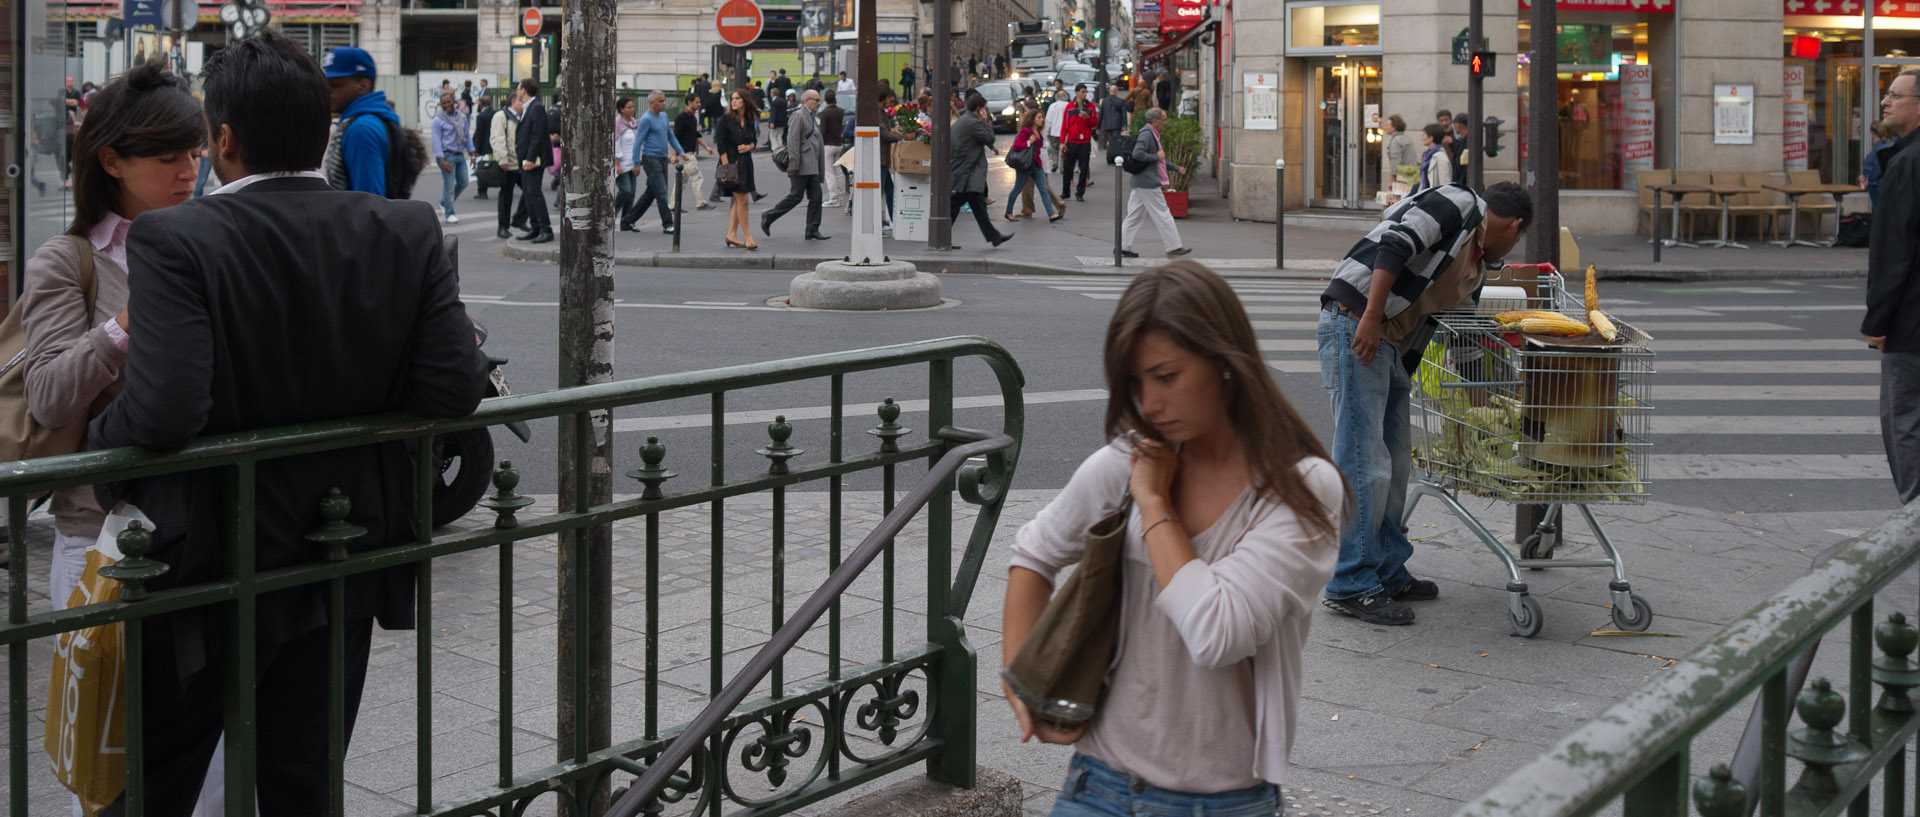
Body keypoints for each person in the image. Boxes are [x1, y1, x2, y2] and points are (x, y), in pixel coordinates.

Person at [85, 29, 484, 814]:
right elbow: (452, 389)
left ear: (223, 138)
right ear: (320, 129)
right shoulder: (401, 230)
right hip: (342, 547)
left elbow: (164, 408)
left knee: (160, 772)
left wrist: (97, 446)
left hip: (207, 554)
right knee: (305, 780)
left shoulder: (178, 238)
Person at [1002, 260, 1345, 816]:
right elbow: (1034, 553)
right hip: (1099, 787)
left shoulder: (1301, 490)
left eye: (1166, 377)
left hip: (1225, 803)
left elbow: (1216, 631)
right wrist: (1020, 682)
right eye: (1135, 383)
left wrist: (1156, 503)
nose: (1150, 404)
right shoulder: (1125, 465)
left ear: (1225, 363)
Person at [23, 63, 230, 817]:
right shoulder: (68, 261)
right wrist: (126, 325)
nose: (188, 169)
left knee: (204, 759)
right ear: (111, 161)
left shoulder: (212, 239)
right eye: (167, 156)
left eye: (196, 152)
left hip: (200, 530)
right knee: (115, 762)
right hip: (100, 541)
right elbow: (46, 394)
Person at [1316, 181, 1532, 625]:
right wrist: (1372, 318)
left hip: (1393, 348)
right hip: (1357, 325)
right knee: (1364, 461)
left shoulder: (1476, 269)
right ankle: (1350, 582)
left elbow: (1465, 337)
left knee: (1396, 464)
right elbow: (1394, 243)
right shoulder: (1461, 202)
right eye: (1516, 237)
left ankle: (1388, 569)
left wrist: (1483, 409)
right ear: (1515, 226)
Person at [1866, 69, 1920, 503]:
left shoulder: (1907, 163)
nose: (1885, 102)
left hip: (1911, 322)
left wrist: (1878, 320)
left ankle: (1913, 528)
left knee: (1904, 421)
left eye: (1895, 96)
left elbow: (1895, 252)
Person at [321, 46, 400, 196]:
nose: (327, 91)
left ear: (363, 86)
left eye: (335, 85)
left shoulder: (361, 129)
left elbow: (369, 203)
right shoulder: (373, 119)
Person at [1120, 108, 1189, 259]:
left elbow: (1160, 160)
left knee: (1134, 216)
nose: (1165, 123)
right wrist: (1155, 156)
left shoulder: (1151, 134)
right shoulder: (1147, 135)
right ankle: (1174, 246)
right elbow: (1138, 153)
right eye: (1163, 120)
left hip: (1140, 181)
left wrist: (1176, 168)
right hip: (1147, 182)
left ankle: (1123, 247)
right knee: (1163, 214)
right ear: (1155, 121)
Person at [761, 88, 828, 241]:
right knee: (795, 196)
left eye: (819, 100)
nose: (819, 103)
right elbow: (793, 141)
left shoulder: (812, 116)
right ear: (807, 100)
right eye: (816, 100)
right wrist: (794, 164)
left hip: (812, 165)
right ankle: (769, 216)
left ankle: (812, 229)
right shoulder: (798, 116)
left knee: (816, 197)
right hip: (801, 164)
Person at [951, 93, 1014, 248]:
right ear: (979, 109)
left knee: (977, 205)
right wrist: (986, 122)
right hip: (967, 172)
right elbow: (989, 137)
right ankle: (940, 237)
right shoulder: (973, 123)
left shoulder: (965, 120)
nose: (986, 113)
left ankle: (994, 236)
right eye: (985, 110)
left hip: (967, 171)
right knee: (954, 206)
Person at [620, 90, 683, 234]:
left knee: (651, 193)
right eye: (660, 101)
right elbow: (638, 142)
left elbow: (669, 135)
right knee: (661, 192)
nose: (664, 103)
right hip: (650, 158)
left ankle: (628, 220)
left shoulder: (664, 116)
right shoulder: (646, 119)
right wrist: (636, 163)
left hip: (662, 158)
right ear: (652, 102)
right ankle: (668, 224)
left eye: (664, 100)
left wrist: (680, 151)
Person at [716, 89, 760, 250]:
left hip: (746, 163)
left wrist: (748, 147)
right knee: (743, 200)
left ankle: (731, 234)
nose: (734, 101)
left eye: (737, 98)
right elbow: (720, 144)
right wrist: (727, 165)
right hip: (731, 164)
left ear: (745, 101)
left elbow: (754, 141)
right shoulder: (725, 119)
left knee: (739, 200)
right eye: (732, 98)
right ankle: (748, 236)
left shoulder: (748, 118)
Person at [514, 78, 554, 243]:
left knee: (534, 193)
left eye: (518, 88)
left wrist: (530, 158)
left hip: (533, 159)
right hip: (525, 158)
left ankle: (546, 228)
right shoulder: (528, 108)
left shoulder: (536, 107)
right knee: (529, 194)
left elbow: (537, 136)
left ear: (523, 90)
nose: (517, 91)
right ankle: (535, 227)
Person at [1005, 109, 1061, 224]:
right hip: (1025, 165)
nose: (1042, 119)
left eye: (1042, 117)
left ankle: (1051, 214)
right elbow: (1016, 146)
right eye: (1039, 117)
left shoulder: (1039, 132)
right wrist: (1029, 142)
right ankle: (1008, 212)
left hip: (1036, 164)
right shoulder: (1026, 131)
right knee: (1017, 189)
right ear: (1032, 119)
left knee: (1043, 189)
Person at [490, 87, 528, 239]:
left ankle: (519, 219)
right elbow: (497, 138)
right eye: (521, 101)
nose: (523, 104)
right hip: (508, 163)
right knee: (506, 197)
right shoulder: (501, 116)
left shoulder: (522, 116)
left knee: (530, 191)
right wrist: (502, 159)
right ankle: (503, 227)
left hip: (521, 163)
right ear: (513, 101)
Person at [430, 92, 473, 224]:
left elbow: (467, 135)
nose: (447, 105)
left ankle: (444, 202)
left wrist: (472, 152)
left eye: (448, 102)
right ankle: (449, 213)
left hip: (460, 154)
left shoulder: (462, 117)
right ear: (441, 105)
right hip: (446, 155)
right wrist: (441, 159)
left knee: (464, 181)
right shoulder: (438, 120)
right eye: (444, 103)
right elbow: (436, 140)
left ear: (454, 101)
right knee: (449, 186)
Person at [674, 94, 714, 211]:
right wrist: (675, 154)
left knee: (682, 181)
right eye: (697, 102)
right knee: (697, 177)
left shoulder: (692, 118)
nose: (699, 104)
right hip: (685, 153)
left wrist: (707, 147)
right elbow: (675, 137)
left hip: (687, 152)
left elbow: (696, 135)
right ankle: (701, 203)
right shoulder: (681, 117)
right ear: (689, 102)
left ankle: (673, 205)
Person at [1061, 84, 1097, 202]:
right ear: (1077, 93)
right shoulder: (1070, 107)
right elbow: (1065, 126)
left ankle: (1080, 193)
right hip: (1072, 141)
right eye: (1082, 92)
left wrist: (1088, 118)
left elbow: (1095, 123)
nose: (1084, 94)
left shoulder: (1090, 107)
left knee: (1084, 168)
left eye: (1086, 92)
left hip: (1085, 142)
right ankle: (1066, 192)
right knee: (1067, 168)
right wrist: (1062, 142)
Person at [613, 96, 640, 227]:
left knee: (631, 195)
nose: (632, 109)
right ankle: (611, 213)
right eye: (629, 107)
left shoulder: (633, 122)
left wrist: (637, 162)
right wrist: (617, 164)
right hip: (622, 163)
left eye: (632, 107)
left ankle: (626, 221)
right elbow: (616, 143)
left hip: (632, 162)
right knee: (625, 191)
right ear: (621, 109)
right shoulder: (618, 124)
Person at [819, 89, 848, 207]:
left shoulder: (825, 113)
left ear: (825, 100)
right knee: (838, 171)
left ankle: (833, 197)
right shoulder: (840, 112)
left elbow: (823, 131)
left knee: (829, 172)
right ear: (835, 99)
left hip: (828, 145)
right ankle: (840, 195)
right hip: (838, 143)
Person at [1380, 114, 1415, 197]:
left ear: (1394, 127)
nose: (1385, 127)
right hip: (1411, 175)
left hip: (1402, 177)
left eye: (1387, 125)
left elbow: (1395, 160)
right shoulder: (1406, 138)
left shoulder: (1396, 140)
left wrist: (1392, 179)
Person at [471, 95, 497, 200]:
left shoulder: (481, 116)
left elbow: (479, 134)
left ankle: (482, 190)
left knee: (482, 169)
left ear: (481, 104)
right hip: (493, 145)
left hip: (484, 147)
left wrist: (475, 149)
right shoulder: (495, 113)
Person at [1865, 120, 1896, 207]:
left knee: (1880, 212)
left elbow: (1878, 167)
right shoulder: (1891, 144)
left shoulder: (1879, 149)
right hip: (1889, 184)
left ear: (1872, 133)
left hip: (1878, 185)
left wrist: (1868, 180)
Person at [1100, 82, 1131, 164]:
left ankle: (1109, 156)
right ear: (1116, 91)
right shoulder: (1120, 101)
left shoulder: (1104, 101)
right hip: (1117, 124)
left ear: (1110, 91)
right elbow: (1124, 114)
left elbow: (1101, 114)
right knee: (1116, 141)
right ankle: (1115, 156)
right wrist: (1124, 124)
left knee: (1110, 140)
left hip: (1107, 124)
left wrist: (1098, 126)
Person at [1417, 123, 1451, 191]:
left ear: (1431, 138)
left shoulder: (1440, 157)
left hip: (1434, 196)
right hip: (1426, 195)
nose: (1422, 138)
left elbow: (1444, 181)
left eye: (1424, 135)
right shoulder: (1426, 156)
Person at [1045, 88, 1069, 172]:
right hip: (1065, 132)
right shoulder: (1068, 105)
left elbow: (1048, 119)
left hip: (1054, 131)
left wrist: (1047, 131)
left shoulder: (1052, 106)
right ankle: (1062, 166)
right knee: (1064, 150)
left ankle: (1055, 163)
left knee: (1054, 149)